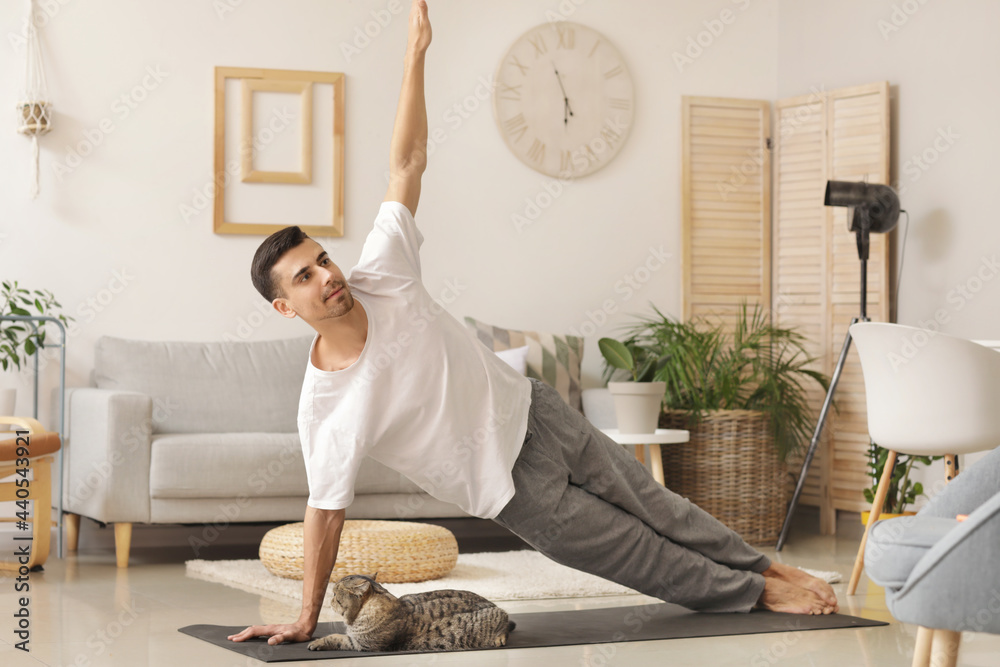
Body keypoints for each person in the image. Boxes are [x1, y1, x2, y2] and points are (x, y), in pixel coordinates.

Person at [230, 0, 839, 647]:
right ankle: (754, 591)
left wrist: (415, 55)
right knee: (635, 552)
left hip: (542, 414)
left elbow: (407, 164)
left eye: (322, 258)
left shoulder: (385, 269)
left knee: (659, 506)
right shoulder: (325, 407)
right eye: (304, 277)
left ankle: (761, 562)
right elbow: (325, 514)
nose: (327, 275)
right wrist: (305, 614)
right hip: (511, 488)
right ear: (285, 307)